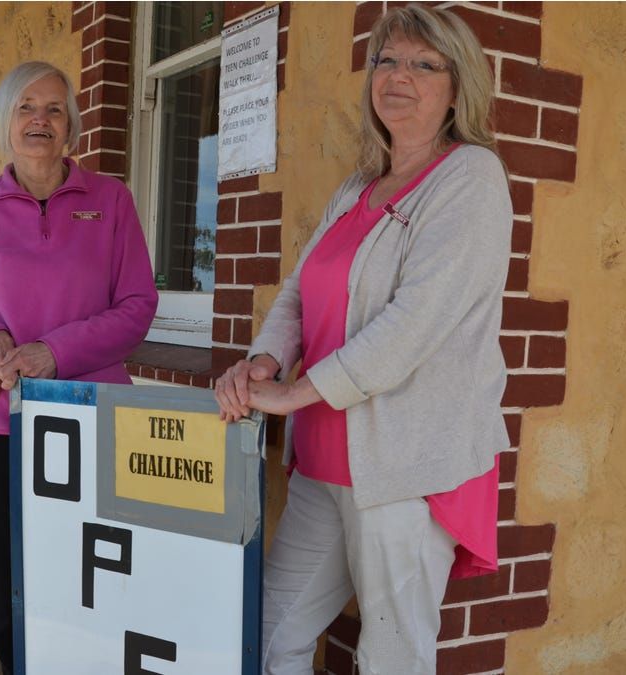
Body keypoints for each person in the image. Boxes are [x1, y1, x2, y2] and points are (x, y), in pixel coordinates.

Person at [214, 5, 512, 674]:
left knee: (393, 656)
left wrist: (293, 393)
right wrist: (266, 360)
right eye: (386, 61)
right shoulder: (357, 187)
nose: (397, 76)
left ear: (457, 86)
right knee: (268, 631)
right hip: (324, 458)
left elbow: (416, 321)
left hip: (406, 465)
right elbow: (298, 291)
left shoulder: (472, 179)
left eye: (421, 64)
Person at [0, 61, 157, 673]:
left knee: (94, 577)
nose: (40, 120)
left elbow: (138, 307)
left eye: (55, 109)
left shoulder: (111, 201)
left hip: (92, 419)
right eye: (27, 107)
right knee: (12, 586)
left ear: (71, 126)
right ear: (7, 121)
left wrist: (55, 352)